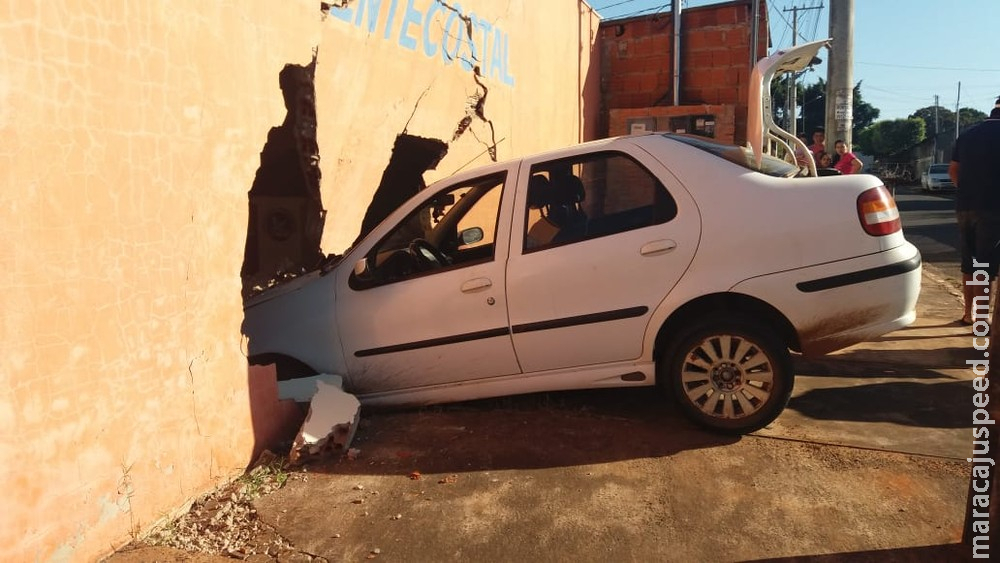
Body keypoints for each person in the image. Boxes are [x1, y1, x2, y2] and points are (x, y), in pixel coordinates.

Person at [951, 97, 1000, 325]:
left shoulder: (967, 135)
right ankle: (982, 318)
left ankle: (968, 313)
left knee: (970, 262)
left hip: (966, 206)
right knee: (986, 265)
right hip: (993, 208)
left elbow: (954, 170)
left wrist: (969, 189)